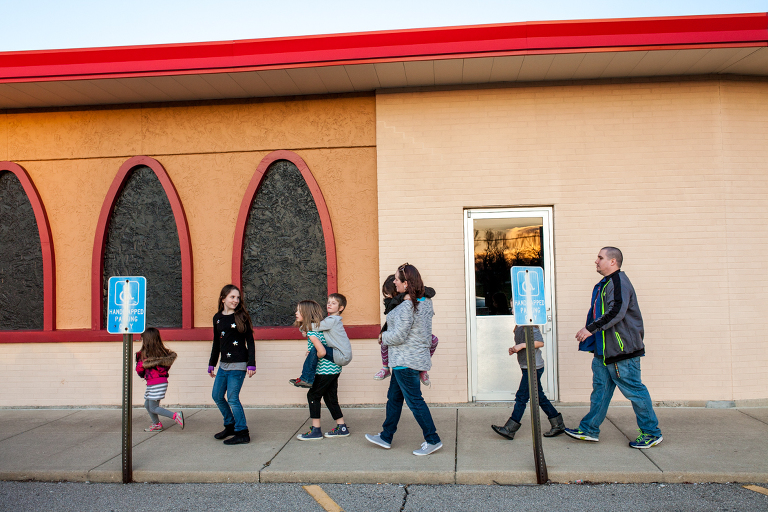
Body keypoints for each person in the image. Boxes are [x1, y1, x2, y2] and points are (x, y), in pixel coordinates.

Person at [565, 247, 663, 449]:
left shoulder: (618, 282)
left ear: (612, 262)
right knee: (600, 391)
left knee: (635, 391)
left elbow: (617, 311)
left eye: (600, 257)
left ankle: (651, 433)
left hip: (622, 351)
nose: (596, 261)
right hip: (604, 351)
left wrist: (590, 329)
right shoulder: (606, 283)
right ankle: (589, 429)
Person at [366, 263, 442, 456]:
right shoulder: (424, 301)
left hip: (405, 361)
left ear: (406, 283)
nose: (394, 282)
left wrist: (383, 336)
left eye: (396, 279)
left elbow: (399, 336)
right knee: (394, 398)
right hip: (410, 359)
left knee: (415, 402)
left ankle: (433, 440)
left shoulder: (407, 305)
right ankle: (386, 436)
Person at [491, 323, 564, 439]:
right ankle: (558, 424)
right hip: (526, 366)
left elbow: (540, 343)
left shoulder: (530, 326)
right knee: (539, 397)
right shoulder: (518, 326)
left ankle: (509, 429)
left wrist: (521, 346)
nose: (514, 313)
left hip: (533, 367)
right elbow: (524, 345)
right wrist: (515, 349)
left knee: (521, 397)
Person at [293, 300, 350, 440]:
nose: (296, 313)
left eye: (299, 311)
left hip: (325, 370)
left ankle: (316, 430)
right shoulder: (319, 329)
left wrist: (313, 355)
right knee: (330, 398)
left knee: (313, 396)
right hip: (334, 369)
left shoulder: (312, 331)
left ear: (306, 313)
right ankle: (342, 427)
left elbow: (322, 352)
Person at [208, 284, 256, 445]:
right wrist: (212, 363)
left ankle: (242, 432)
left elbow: (250, 341)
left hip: (239, 364)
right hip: (223, 365)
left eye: (237, 297)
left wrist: (251, 364)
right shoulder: (217, 318)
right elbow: (216, 343)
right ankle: (230, 425)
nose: (236, 300)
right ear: (223, 299)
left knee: (233, 398)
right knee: (217, 395)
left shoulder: (242, 316)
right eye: (232, 297)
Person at [374, 275, 438, 386]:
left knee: (434, 340)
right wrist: (401, 298)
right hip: (394, 332)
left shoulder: (411, 298)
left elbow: (431, 291)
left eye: (388, 293)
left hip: (414, 337)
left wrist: (415, 294)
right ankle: (385, 367)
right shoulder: (392, 301)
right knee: (384, 342)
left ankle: (423, 368)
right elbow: (389, 309)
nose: (387, 296)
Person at [289, 293, 352, 388]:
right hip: (340, 354)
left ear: (340, 308)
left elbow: (315, 326)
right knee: (314, 350)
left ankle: (306, 379)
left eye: (333, 303)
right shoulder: (329, 321)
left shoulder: (332, 320)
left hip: (341, 355)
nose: (329, 305)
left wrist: (303, 328)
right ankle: (306, 378)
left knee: (315, 350)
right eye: (328, 302)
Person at [135, 327, 185, 432]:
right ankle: (156, 424)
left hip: (156, 383)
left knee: (153, 407)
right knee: (147, 404)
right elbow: (165, 367)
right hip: (158, 382)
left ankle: (175, 416)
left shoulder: (145, 356)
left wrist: (142, 370)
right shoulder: (162, 354)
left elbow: (139, 369)